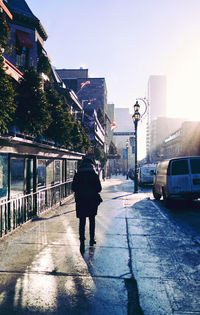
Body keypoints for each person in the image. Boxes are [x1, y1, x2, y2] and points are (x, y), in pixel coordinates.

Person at [72, 157, 102, 251]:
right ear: (91, 165)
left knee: (82, 221)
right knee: (92, 220)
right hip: (92, 200)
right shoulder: (94, 175)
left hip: (81, 200)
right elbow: (99, 188)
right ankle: (92, 239)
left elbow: (73, 187)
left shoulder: (78, 174)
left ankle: (82, 240)